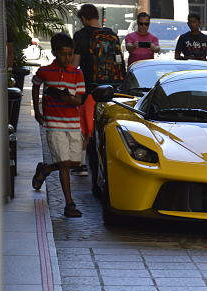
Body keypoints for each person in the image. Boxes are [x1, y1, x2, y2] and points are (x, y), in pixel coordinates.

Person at [31, 33, 86, 217]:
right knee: (64, 163)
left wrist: (67, 98)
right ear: (55, 52)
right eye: (63, 54)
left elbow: (79, 100)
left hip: (73, 123)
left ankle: (46, 169)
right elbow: (36, 84)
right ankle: (69, 204)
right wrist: (38, 111)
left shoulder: (77, 73)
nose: (68, 58)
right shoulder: (45, 71)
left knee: (74, 162)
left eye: (70, 54)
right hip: (54, 123)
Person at [73, 3, 125, 177]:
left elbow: (75, 65)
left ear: (83, 18)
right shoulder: (111, 35)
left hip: (89, 88)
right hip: (110, 89)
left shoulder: (80, 36)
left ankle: (81, 164)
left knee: (85, 128)